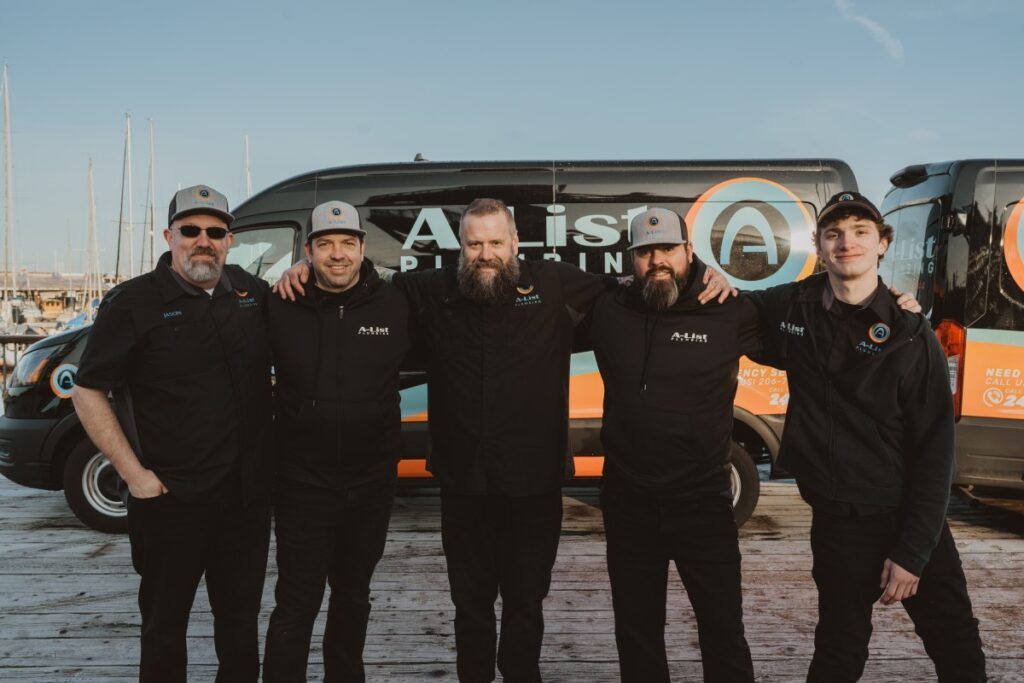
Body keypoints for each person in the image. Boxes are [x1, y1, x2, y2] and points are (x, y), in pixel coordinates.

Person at [276, 197, 731, 682]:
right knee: (469, 606)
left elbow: (639, 284)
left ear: (515, 242)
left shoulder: (556, 283)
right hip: (463, 486)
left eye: (496, 242)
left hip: (534, 486)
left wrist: (709, 275)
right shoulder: (429, 289)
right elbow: (362, 283)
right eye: (475, 244)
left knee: (525, 604)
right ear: (461, 246)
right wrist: (301, 272)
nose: (486, 254)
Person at [753, 191, 986, 681]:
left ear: (882, 243)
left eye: (861, 232)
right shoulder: (792, 306)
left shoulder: (909, 331)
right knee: (839, 651)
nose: (847, 242)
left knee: (958, 648)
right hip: (837, 521)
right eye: (834, 233)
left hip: (905, 514)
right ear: (819, 246)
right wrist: (700, 276)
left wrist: (913, 552)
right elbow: (725, 309)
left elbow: (935, 451)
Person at [72, 185, 274, 682]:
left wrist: (299, 272)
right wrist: (134, 475)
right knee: (164, 627)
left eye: (215, 232)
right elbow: (88, 391)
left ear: (230, 240)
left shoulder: (252, 293)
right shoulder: (132, 302)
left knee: (240, 625)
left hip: (244, 501)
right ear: (169, 236)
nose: (203, 241)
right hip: (169, 501)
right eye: (190, 230)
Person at [584, 208, 760, 682]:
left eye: (667, 249)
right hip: (628, 502)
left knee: (723, 630)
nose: (656, 260)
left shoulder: (728, 308)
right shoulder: (608, 308)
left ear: (688, 251)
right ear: (631, 259)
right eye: (645, 252)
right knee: (637, 632)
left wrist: (885, 296)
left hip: (702, 501)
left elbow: (803, 311)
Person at [262, 201, 412, 681]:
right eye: (325, 244)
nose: (338, 254)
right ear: (308, 251)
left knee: (352, 596)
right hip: (302, 484)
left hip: (370, 485)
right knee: (297, 599)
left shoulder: (396, 303)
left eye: (348, 242)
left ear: (363, 248)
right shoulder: (278, 304)